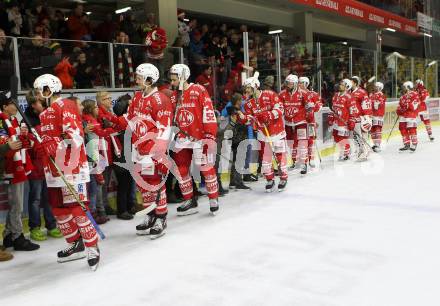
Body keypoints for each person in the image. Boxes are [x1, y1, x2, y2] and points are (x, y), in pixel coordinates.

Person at [34, 74, 100, 270]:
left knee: (78, 209)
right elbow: (47, 142)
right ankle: (76, 244)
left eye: (40, 92)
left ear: (49, 90)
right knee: (59, 211)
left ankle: (92, 246)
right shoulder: (44, 114)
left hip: (72, 168)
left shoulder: (66, 105)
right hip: (53, 170)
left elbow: (75, 136)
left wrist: (53, 143)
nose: (38, 96)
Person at [117, 63, 173, 238]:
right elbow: (131, 121)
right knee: (143, 185)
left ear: (150, 79)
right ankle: (150, 215)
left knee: (155, 183)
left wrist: (160, 154)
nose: (137, 80)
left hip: (152, 150)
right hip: (138, 149)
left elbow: (164, 128)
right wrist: (114, 120)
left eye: (140, 78)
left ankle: (161, 218)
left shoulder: (160, 99)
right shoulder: (137, 97)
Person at [169, 64, 220, 215]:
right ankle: (189, 199)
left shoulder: (199, 90)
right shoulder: (174, 95)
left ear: (183, 77)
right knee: (181, 170)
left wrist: (210, 135)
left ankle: (213, 198)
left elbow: (209, 112)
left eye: (174, 79)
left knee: (206, 168)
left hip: (199, 138)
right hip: (181, 139)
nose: (172, 83)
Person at [0, 92, 39, 252]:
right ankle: (17, 237)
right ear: (4, 106)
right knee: (17, 205)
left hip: (18, 166)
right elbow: (5, 144)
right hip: (10, 168)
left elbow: (18, 142)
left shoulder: (12, 120)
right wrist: (8, 146)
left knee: (17, 204)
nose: (16, 106)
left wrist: (26, 139)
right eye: (12, 103)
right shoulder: (2, 122)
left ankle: (9, 235)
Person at [237, 72, 288, 192]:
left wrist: (269, 115)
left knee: (280, 156)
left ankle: (283, 178)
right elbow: (250, 119)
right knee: (265, 160)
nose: (246, 91)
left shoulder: (270, 94)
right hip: (263, 134)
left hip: (277, 132)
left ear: (255, 86)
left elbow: (280, 108)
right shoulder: (249, 103)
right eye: (245, 88)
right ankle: (270, 179)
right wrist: (243, 118)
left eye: (248, 88)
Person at [24, 89, 62, 241]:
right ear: (34, 104)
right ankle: (34, 227)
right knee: (35, 198)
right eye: (40, 100)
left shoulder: (48, 115)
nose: (44, 102)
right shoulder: (26, 121)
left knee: (49, 197)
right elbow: (28, 147)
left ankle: (51, 225)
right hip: (35, 168)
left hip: (48, 165)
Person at [279, 74, 308, 174]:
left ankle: (304, 163)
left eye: (290, 83)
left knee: (302, 143)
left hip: (300, 122)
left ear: (295, 84)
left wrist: (310, 114)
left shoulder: (303, 93)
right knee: (291, 143)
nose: (288, 85)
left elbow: (309, 107)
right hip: (288, 123)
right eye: (287, 83)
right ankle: (294, 161)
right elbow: (279, 107)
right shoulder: (282, 94)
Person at [328, 79, 356, 161]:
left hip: (344, 122)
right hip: (336, 122)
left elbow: (353, 110)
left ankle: (346, 153)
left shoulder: (349, 97)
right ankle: (344, 151)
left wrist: (352, 120)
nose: (340, 85)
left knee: (342, 138)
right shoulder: (336, 95)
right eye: (340, 84)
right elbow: (333, 108)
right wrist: (331, 118)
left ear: (347, 87)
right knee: (336, 138)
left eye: (342, 84)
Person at [299, 76, 323, 168]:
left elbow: (319, 106)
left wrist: (313, 107)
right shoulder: (297, 94)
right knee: (301, 141)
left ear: (306, 84)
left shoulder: (313, 94)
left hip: (310, 120)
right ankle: (301, 160)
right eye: (299, 82)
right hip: (300, 121)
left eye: (301, 82)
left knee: (310, 140)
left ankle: (311, 158)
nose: (299, 84)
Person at [350, 76, 372, 161]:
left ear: (355, 83)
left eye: (351, 82)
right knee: (355, 137)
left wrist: (367, 117)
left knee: (362, 136)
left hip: (361, 118)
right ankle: (360, 151)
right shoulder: (349, 92)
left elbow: (366, 105)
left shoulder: (362, 92)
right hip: (353, 119)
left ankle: (365, 152)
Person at [396, 81, 420, 152]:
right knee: (402, 128)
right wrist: (399, 110)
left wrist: (407, 105)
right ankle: (406, 144)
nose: (403, 88)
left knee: (412, 129)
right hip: (403, 115)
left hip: (411, 115)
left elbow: (414, 106)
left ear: (408, 87)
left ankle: (414, 143)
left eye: (404, 87)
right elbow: (399, 106)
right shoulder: (403, 96)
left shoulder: (415, 94)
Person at [370, 82, 386, 152]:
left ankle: (378, 145)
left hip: (378, 115)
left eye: (376, 86)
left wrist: (372, 103)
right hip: (371, 115)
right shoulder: (371, 95)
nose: (374, 87)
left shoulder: (381, 95)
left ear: (379, 87)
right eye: (374, 86)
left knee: (377, 129)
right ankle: (375, 144)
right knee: (372, 130)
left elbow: (376, 106)